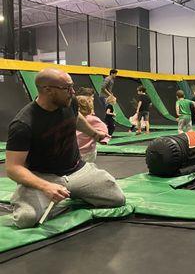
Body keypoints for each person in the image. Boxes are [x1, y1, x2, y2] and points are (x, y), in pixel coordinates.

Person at [5, 68, 125, 229]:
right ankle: (27, 195)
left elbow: (76, 117)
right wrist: (46, 187)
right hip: (44, 176)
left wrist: (94, 133)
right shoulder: (23, 124)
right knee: (26, 219)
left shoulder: (70, 102)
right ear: (48, 90)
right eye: (67, 88)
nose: (73, 91)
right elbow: (13, 168)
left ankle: (71, 192)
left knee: (116, 199)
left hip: (77, 171)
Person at [76, 96, 110, 163]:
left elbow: (103, 129)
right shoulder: (72, 119)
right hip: (76, 151)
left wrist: (103, 139)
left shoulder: (91, 119)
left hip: (87, 152)